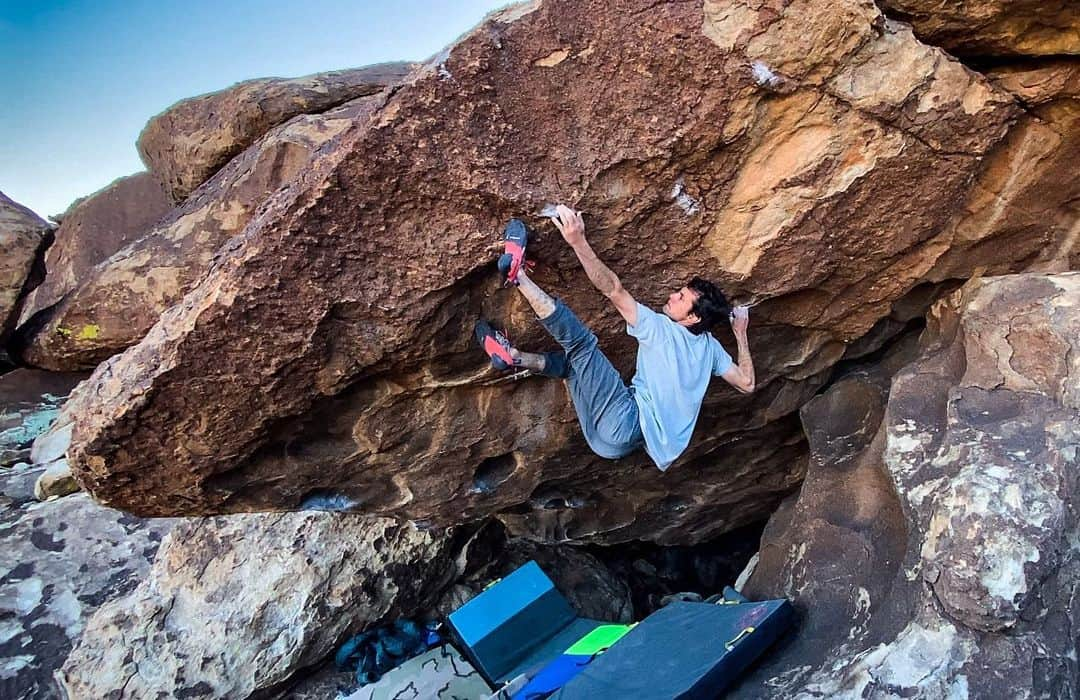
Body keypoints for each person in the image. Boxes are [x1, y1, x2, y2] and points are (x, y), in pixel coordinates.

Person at [476, 205, 755, 471]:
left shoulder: (659, 328)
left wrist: (578, 241)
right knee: (575, 366)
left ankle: (517, 274)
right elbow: (747, 384)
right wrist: (740, 334)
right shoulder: (712, 350)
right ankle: (514, 358)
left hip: (626, 421)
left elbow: (614, 290)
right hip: (613, 447)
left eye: (681, 297)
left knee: (581, 343)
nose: (672, 295)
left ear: (693, 318)